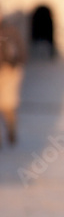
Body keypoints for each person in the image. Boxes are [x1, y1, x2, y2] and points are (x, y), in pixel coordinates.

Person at [0, 11, 27, 147]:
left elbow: (21, 50)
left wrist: (17, 66)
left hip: (8, 71)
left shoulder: (10, 31)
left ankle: (11, 130)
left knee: (8, 104)